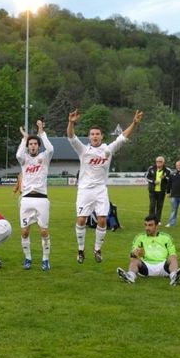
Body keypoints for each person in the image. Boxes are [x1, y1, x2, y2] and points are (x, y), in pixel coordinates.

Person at [67, 109, 142, 263]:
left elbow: (123, 137)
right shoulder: (83, 150)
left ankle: (97, 249)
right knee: (81, 220)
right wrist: (71, 122)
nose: (95, 136)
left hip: (101, 189)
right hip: (85, 190)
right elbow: (71, 137)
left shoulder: (107, 149)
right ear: (89, 137)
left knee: (102, 219)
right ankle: (80, 250)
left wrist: (134, 123)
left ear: (102, 136)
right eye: (92, 134)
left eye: (97, 134)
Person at [16, 119, 55, 271]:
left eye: (35, 144)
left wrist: (42, 133)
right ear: (28, 146)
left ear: (38, 146)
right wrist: (24, 138)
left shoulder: (44, 158)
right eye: (30, 144)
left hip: (41, 199)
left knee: (44, 231)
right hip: (26, 199)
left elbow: (50, 149)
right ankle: (28, 258)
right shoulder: (24, 159)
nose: (32, 146)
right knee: (24, 231)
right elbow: (18, 154)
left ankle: (45, 259)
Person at [116, 215, 180, 285]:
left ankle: (174, 277)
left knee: (173, 257)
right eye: (145, 225)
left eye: (150, 225)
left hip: (163, 267)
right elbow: (132, 252)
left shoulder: (166, 238)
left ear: (157, 226)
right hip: (146, 267)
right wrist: (134, 253)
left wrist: (172, 258)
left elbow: (172, 253)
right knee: (134, 259)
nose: (147, 228)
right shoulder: (140, 237)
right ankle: (130, 277)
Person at [145, 156, 171, 223]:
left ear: (163, 162)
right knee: (152, 205)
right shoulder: (151, 168)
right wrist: (153, 181)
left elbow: (171, 179)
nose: (158, 163)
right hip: (152, 191)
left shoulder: (167, 170)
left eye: (160, 161)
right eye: (157, 161)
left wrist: (165, 178)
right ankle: (151, 219)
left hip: (162, 191)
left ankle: (157, 220)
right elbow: (146, 177)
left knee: (159, 206)